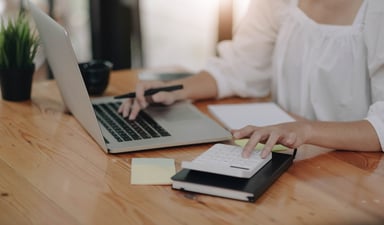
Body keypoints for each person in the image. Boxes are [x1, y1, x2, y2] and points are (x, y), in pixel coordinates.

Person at [118, 0, 384, 158]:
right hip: (293, 156)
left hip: (358, 168)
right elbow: (241, 67)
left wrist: (305, 130)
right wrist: (174, 90)